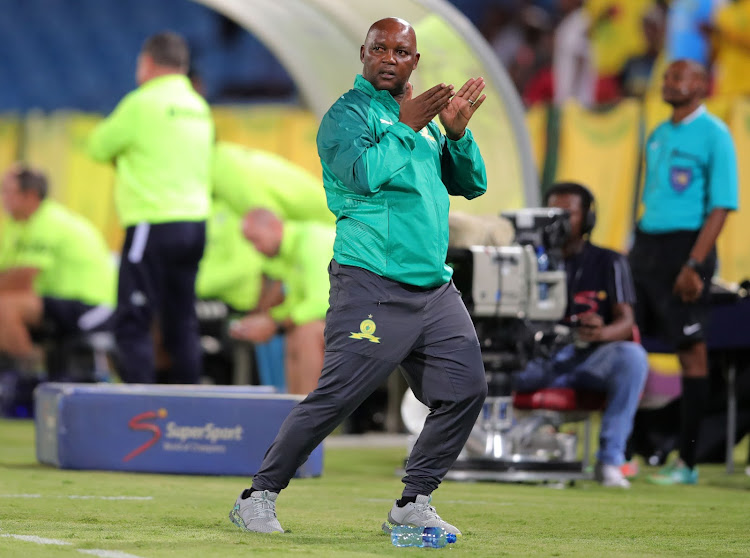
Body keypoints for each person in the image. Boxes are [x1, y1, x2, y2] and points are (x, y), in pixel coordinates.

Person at [228, 17, 488, 535]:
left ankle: (414, 500)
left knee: (467, 389)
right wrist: (405, 126)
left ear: (415, 61)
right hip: (372, 280)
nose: (390, 57)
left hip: (434, 287)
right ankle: (257, 496)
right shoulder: (345, 116)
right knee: (337, 397)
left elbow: (472, 184)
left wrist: (456, 135)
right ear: (364, 54)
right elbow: (363, 174)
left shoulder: (429, 120)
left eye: (402, 51)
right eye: (380, 48)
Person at [629, 60, 738, 485]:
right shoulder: (659, 133)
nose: (668, 83)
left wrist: (695, 264)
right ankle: (625, 452)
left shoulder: (715, 134)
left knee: (692, 354)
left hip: (686, 249)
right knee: (628, 342)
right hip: (648, 248)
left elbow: (721, 205)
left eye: (678, 77)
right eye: (666, 76)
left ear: (700, 85)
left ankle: (688, 462)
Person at [88, 31, 214, 384]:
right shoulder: (198, 107)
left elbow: (97, 146)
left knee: (134, 319)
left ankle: (137, 412)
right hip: (195, 225)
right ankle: (187, 414)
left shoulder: (142, 103)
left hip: (152, 222)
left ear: (147, 63)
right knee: (182, 321)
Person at [512, 182, 649, 488]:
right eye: (552, 212)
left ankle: (611, 460)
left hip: (588, 358)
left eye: (567, 213)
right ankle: (493, 449)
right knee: (480, 358)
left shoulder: (610, 261)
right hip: (537, 358)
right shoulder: (526, 259)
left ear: (587, 219)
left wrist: (601, 332)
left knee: (632, 356)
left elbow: (626, 323)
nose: (558, 220)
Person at [0, 165, 115, 368]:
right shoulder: (15, 226)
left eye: (8, 191)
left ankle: (31, 375)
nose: (3, 198)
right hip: (55, 301)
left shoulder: (49, 222)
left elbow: (21, 279)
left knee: (5, 307)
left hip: (90, 304)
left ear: (31, 195)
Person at [228, 209, 334, 395]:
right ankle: (296, 411)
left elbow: (322, 303)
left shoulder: (311, 242)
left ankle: (313, 416)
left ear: (274, 227)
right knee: (296, 331)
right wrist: (262, 321)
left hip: (374, 313)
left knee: (307, 333)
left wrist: (273, 324)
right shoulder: (289, 252)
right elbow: (296, 305)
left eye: (255, 239)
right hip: (348, 314)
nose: (255, 249)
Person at [553, 0, 596, 107]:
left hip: (577, 101)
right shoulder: (569, 21)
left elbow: (580, 58)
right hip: (566, 98)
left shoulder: (581, 21)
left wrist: (572, 97)